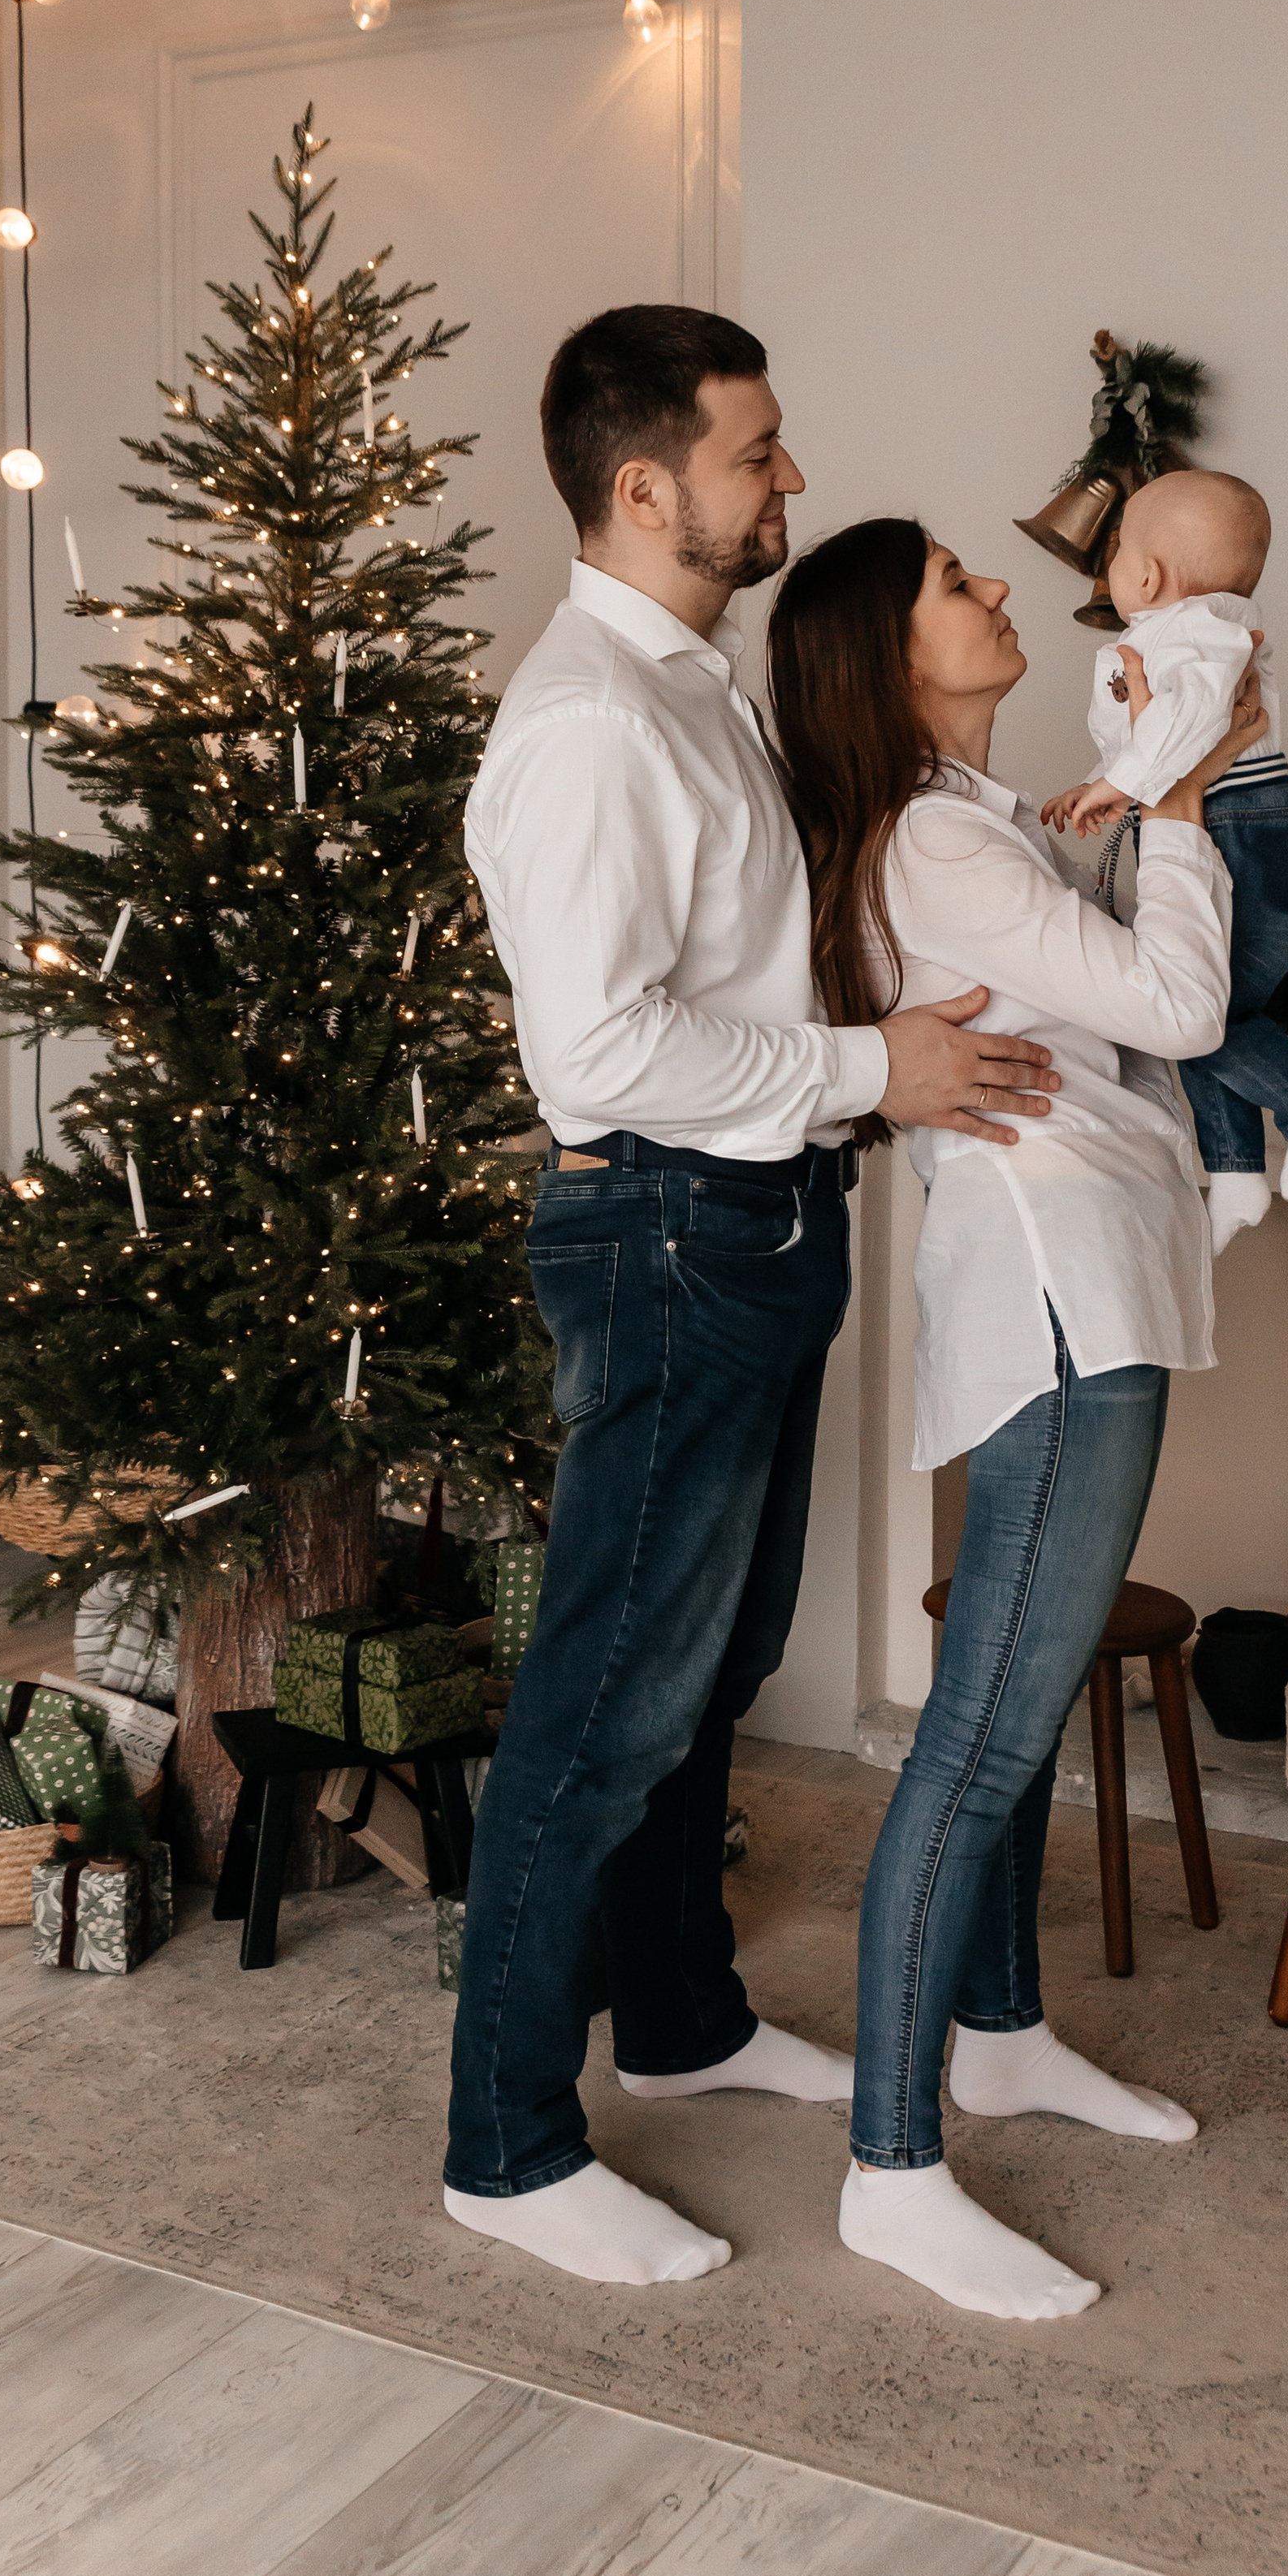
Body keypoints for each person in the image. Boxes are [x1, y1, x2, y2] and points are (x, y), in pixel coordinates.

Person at [443, 308, 1062, 2289]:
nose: (788, 477)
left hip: (757, 1222)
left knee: (707, 1667)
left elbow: (731, 977)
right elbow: (606, 1051)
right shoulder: (587, 727)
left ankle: (685, 2019)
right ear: (648, 485)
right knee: (601, 1703)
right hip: (667, 1232)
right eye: (757, 449)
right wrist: (873, 1068)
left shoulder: (691, 686)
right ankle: (508, 2148)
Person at [768, 516, 1269, 2321]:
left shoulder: (975, 829)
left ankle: (997, 2035)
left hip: (1080, 1277)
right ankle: (892, 2173)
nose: (996, 600)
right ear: (888, 660)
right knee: (977, 1739)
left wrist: (1134, 815)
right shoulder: (929, 840)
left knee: (1013, 1705)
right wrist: (1195, 804)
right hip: (1063, 1300)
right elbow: (1181, 1005)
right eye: (956, 590)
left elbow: (1114, 1015)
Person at [1039, 466, 1288, 1252]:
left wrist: (1121, 781)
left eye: (1112, 556)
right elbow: (1155, 736)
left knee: (1197, 1014)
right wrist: (1104, 782)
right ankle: (1237, 1170)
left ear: (1143, 573)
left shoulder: (1204, 632)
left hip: (1244, 825)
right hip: (1207, 820)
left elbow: (1191, 719)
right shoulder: (1166, 637)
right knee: (1200, 1001)